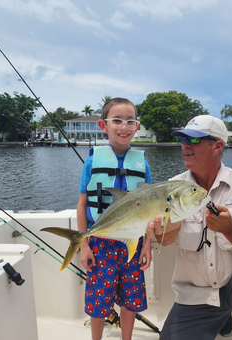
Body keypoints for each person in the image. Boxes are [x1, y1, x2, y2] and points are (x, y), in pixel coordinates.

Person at [147, 115, 232, 340]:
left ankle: (230, 310)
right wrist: (167, 230)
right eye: (183, 139)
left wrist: (231, 229)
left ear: (217, 146)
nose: (185, 145)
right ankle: (223, 318)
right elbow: (165, 240)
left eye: (194, 140)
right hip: (196, 294)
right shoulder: (171, 188)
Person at [77, 97, 152, 340]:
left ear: (137, 127)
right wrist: (84, 244)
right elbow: (82, 204)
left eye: (130, 121)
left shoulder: (143, 164)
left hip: (133, 241)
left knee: (130, 299)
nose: (124, 127)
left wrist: (148, 244)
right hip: (100, 242)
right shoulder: (91, 162)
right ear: (103, 125)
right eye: (117, 120)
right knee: (99, 299)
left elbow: (150, 210)